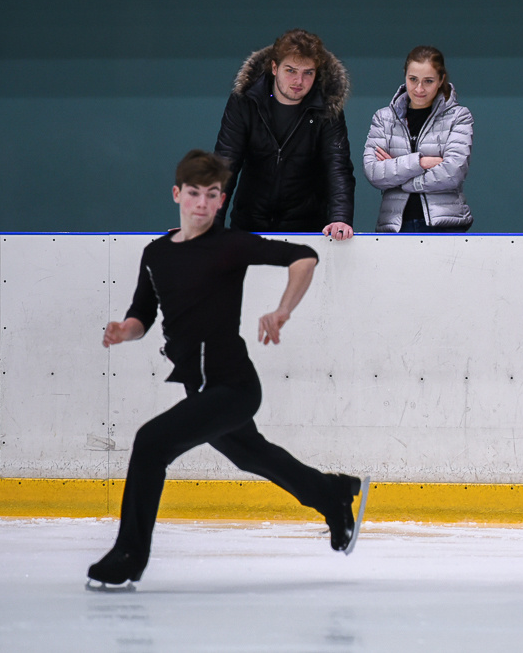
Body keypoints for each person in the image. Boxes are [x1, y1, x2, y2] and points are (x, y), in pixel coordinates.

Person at [87, 150, 367, 589]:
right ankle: (332, 494)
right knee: (251, 454)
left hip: (233, 386)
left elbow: (304, 256)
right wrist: (125, 330)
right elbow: (143, 313)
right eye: (194, 193)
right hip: (199, 388)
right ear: (177, 194)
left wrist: (282, 310)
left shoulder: (231, 245)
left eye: (212, 194)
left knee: (151, 443)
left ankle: (129, 555)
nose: (202, 203)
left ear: (221, 200)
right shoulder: (156, 254)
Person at [214, 29, 356, 240]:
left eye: (308, 73)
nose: (299, 80)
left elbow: (337, 166)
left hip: (307, 229)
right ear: (274, 68)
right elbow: (225, 163)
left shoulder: (327, 108)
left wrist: (340, 218)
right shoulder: (245, 101)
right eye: (291, 70)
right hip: (249, 225)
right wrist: (208, 224)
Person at [363, 46, 474, 232]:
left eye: (428, 81)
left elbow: (453, 173)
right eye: (413, 79)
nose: (419, 89)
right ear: (405, 76)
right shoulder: (384, 118)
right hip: (395, 227)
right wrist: (421, 163)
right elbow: (374, 172)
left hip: (445, 226)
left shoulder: (459, 116)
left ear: (441, 80)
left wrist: (400, 178)